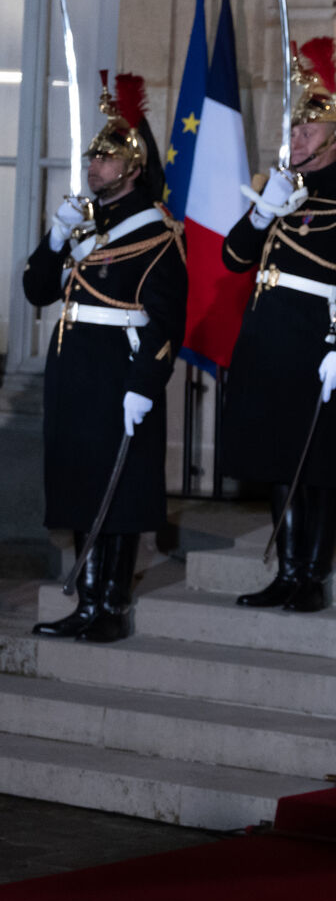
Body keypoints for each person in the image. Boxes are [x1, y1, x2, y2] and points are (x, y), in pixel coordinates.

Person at [222, 37, 336, 614]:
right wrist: (262, 211)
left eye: (308, 129)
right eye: (293, 128)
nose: (296, 137)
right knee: (277, 461)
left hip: (318, 347)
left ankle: (311, 576)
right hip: (267, 342)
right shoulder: (282, 190)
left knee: (315, 465)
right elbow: (233, 259)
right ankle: (286, 570)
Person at [22, 72, 186, 643]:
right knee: (81, 488)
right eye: (93, 157)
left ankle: (110, 607)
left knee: (118, 494)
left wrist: (145, 384)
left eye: (107, 158)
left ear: (134, 168)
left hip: (119, 377)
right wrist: (55, 236)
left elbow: (166, 321)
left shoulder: (157, 233)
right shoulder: (85, 225)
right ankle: (85, 602)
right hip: (74, 376)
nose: (94, 166)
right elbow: (37, 291)